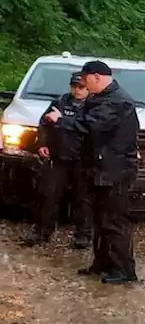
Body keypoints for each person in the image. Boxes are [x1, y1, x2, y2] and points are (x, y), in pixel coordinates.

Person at [44, 60, 140, 284]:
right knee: (100, 220)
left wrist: (62, 120)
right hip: (98, 169)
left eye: (86, 80)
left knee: (114, 222)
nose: (84, 85)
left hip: (115, 170)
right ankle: (102, 264)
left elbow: (90, 125)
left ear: (97, 77)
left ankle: (124, 270)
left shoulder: (117, 101)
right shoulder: (100, 98)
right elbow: (83, 123)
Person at [22, 73, 93, 249]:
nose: (77, 90)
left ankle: (83, 235)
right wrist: (42, 144)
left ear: (88, 88)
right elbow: (44, 124)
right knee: (48, 194)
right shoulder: (60, 102)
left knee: (82, 198)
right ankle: (41, 232)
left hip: (82, 159)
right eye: (74, 86)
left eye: (81, 87)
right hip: (58, 156)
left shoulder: (94, 106)